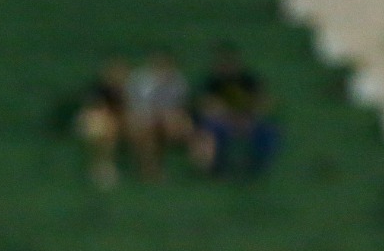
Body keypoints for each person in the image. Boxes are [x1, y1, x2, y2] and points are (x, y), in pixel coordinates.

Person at [192, 43, 279, 177]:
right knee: (212, 130)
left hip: (247, 120)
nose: (227, 66)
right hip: (220, 121)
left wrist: (250, 116)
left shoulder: (248, 80)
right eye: (223, 63)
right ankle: (217, 166)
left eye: (230, 62)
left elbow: (264, 101)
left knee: (268, 130)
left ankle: (258, 164)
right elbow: (206, 106)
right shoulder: (211, 82)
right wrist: (229, 118)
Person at [125, 50, 192, 181]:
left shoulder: (177, 81)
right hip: (143, 117)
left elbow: (180, 106)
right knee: (146, 129)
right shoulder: (140, 78)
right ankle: (149, 167)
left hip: (168, 119)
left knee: (171, 126)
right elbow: (134, 104)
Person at [76, 58, 129, 190]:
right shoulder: (99, 90)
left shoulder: (128, 91)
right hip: (102, 121)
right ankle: (102, 166)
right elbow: (94, 109)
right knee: (103, 129)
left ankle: (105, 166)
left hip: (121, 121)